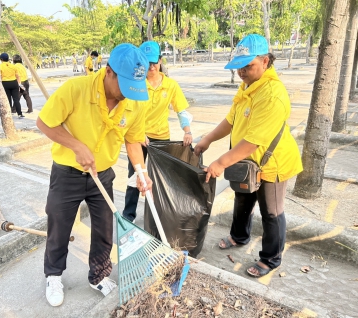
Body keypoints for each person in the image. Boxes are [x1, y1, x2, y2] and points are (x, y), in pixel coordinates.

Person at [36, 43, 152, 307]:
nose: (128, 93)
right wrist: (77, 146)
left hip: (104, 174)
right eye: (124, 84)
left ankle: (98, 275)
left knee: (104, 229)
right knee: (59, 226)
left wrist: (141, 171)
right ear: (108, 71)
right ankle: (53, 275)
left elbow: (133, 140)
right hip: (67, 173)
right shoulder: (76, 89)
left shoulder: (134, 101)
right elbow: (44, 122)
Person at [194, 34, 303, 278]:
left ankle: (270, 258)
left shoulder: (272, 95)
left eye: (248, 66)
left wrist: (220, 163)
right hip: (246, 163)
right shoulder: (248, 88)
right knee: (242, 199)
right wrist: (208, 139)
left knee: (271, 212)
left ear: (265, 61)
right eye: (239, 67)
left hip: (272, 163)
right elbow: (231, 120)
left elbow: (254, 142)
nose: (242, 72)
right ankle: (239, 236)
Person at [122, 40, 193, 223]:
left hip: (161, 138)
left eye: (154, 61)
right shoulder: (136, 84)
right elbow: (127, 111)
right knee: (136, 174)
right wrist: (138, 134)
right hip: (138, 137)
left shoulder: (170, 85)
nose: (150, 66)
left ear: (161, 61)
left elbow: (181, 111)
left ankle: (157, 215)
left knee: (158, 178)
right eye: (146, 62)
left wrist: (187, 131)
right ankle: (128, 216)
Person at [0, 52, 24, 118]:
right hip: (14, 83)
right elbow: (18, 76)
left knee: (8, 99)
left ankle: (9, 114)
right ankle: (20, 114)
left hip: (5, 83)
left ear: (1, 59)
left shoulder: (0, 66)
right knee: (16, 99)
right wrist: (19, 84)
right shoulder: (13, 66)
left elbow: (0, 76)